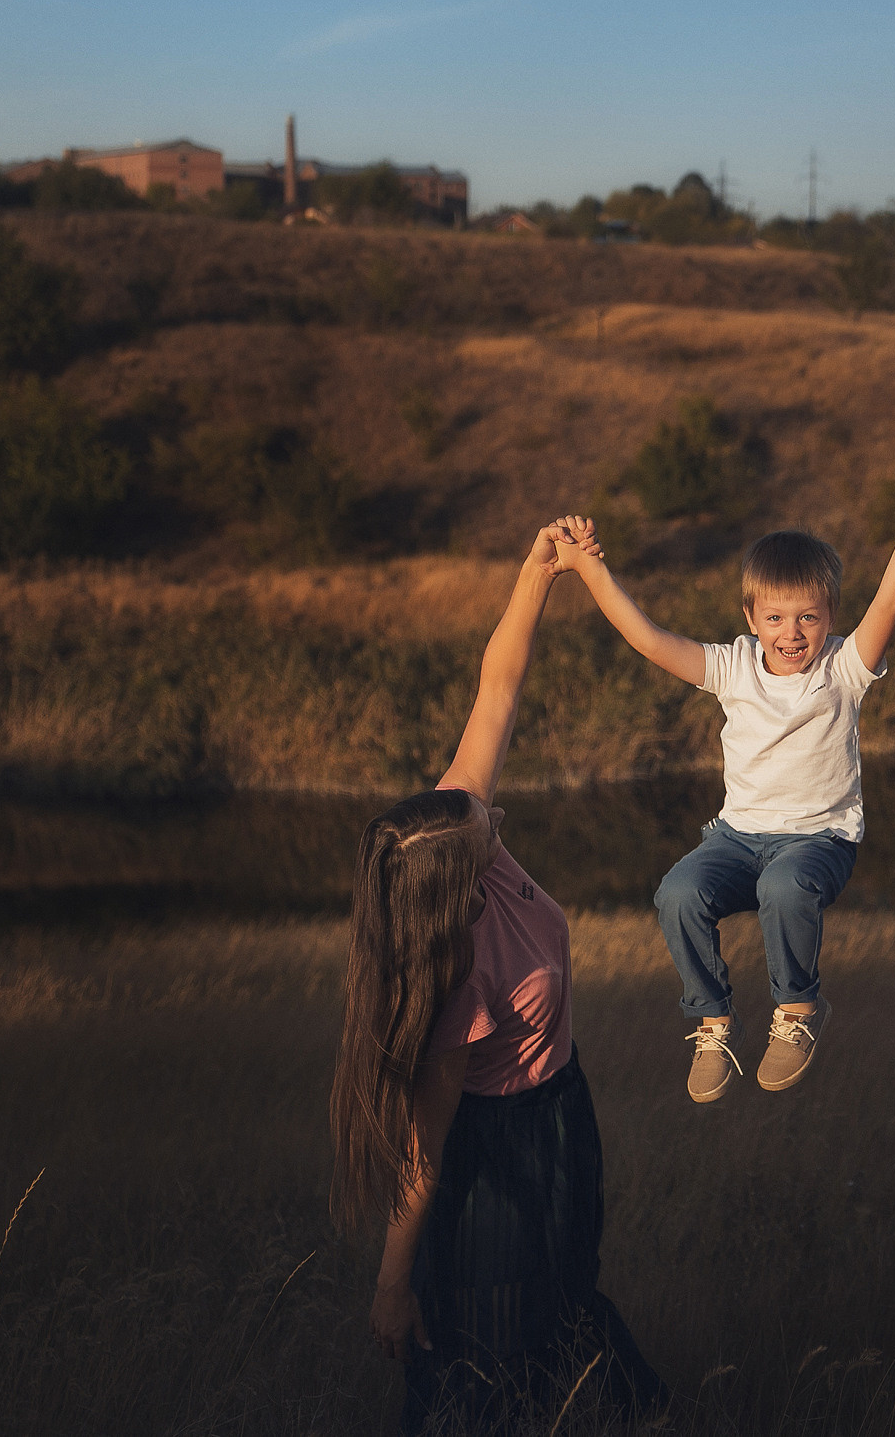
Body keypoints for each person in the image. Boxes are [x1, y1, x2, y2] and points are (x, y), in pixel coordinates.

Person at [329, 522, 664, 1428]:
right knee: (487, 1349)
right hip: (498, 1152)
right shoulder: (456, 981)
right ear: (455, 882)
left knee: (561, 1302)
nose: (494, 812)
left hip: (562, 1113)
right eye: (483, 833)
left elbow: (498, 687)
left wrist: (536, 575)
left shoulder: (460, 825)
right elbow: (423, 1153)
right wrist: (392, 1284)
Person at [546, 479, 895, 1103]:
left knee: (783, 888)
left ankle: (796, 1012)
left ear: (831, 618)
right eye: (775, 618)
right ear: (749, 617)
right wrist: (589, 568)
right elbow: (649, 639)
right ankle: (713, 1022)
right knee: (678, 892)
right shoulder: (733, 666)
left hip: (819, 841)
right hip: (737, 838)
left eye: (808, 617)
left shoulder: (843, 670)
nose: (792, 633)